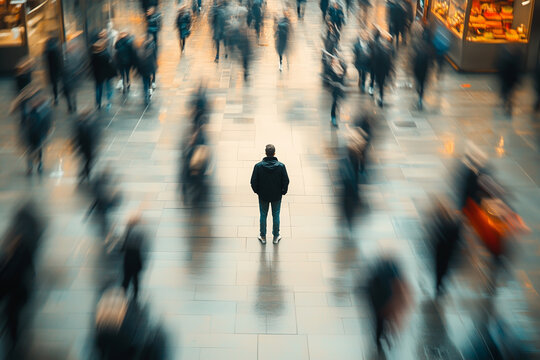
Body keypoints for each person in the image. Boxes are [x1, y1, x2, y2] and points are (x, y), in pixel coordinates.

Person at [363, 258, 411, 354]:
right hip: (385, 304)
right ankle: (382, 338)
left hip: (381, 304)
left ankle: (379, 340)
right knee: (384, 322)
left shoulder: (377, 278)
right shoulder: (393, 275)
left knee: (379, 323)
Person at [250, 144, 290, 245]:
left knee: (263, 214)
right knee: (276, 215)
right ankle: (276, 236)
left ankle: (263, 236)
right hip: (276, 195)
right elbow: (286, 180)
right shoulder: (281, 166)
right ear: (274, 153)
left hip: (263, 195)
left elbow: (253, 181)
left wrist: (257, 191)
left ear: (266, 153)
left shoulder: (258, 166)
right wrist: (283, 191)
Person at [428, 196, 462, 296]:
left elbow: (434, 237)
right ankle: (439, 286)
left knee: (439, 271)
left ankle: (438, 287)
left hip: (440, 252)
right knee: (443, 271)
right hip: (448, 254)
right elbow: (457, 240)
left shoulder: (440, 223)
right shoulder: (454, 224)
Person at [20, 89, 53, 175]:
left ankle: (40, 164)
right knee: (29, 151)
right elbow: (23, 122)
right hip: (30, 134)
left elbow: (47, 123)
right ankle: (30, 167)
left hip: (39, 134)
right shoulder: (28, 110)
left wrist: (45, 133)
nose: (34, 103)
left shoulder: (43, 111)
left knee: (39, 150)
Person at [121, 216, 146, 300]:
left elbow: (124, 246)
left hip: (129, 255)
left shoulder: (129, 231)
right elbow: (141, 243)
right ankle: (135, 293)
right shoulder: (140, 232)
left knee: (127, 275)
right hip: (136, 255)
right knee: (135, 276)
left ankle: (124, 291)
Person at [73, 110, 101, 182]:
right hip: (85, 147)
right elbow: (78, 137)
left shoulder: (91, 124)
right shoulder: (81, 125)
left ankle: (85, 173)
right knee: (88, 160)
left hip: (89, 146)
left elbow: (96, 134)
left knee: (88, 161)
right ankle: (85, 173)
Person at [91, 38, 117, 111]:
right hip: (105, 74)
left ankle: (98, 103)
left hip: (97, 74)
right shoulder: (105, 54)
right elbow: (110, 64)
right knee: (108, 88)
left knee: (98, 88)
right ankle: (108, 101)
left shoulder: (93, 55)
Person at [496, 45, 523, 115]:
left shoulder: (509, 57)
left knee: (508, 93)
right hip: (507, 79)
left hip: (509, 80)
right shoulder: (508, 57)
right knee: (507, 93)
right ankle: (506, 102)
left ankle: (507, 103)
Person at [323, 51, 347, 127]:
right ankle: (333, 118)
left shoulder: (341, 66)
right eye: (334, 60)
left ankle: (335, 115)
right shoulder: (330, 68)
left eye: (337, 60)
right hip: (334, 88)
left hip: (341, 88)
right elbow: (328, 78)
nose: (336, 61)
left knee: (338, 103)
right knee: (335, 102)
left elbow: (345, 71)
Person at [411, 32, 433, 110]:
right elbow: (429, 63)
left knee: (418, 83)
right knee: (422, 85)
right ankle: (420, 98)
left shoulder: (418, 48)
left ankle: (419, 92)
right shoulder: (428, 51)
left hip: (418, 70)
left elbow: (414, 60)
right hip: (424, 71)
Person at [136, 36, 157, 106]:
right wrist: (153, 74)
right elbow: (153, 65)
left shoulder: (140, 53)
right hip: (148, 72)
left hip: (143, 72)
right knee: (148, 83)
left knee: (145, 84)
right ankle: (149, 93)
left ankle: (146, 97)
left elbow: (139, 64)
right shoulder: (150, 54)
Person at [44, 37, 63, 106]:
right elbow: (59, 61)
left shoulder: (47, 51)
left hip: (51, 71)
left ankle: (56, 98)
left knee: (54, 86)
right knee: (58, 83)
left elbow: (47, 62)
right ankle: (58, 96)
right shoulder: (56, 50)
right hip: (57, 70)